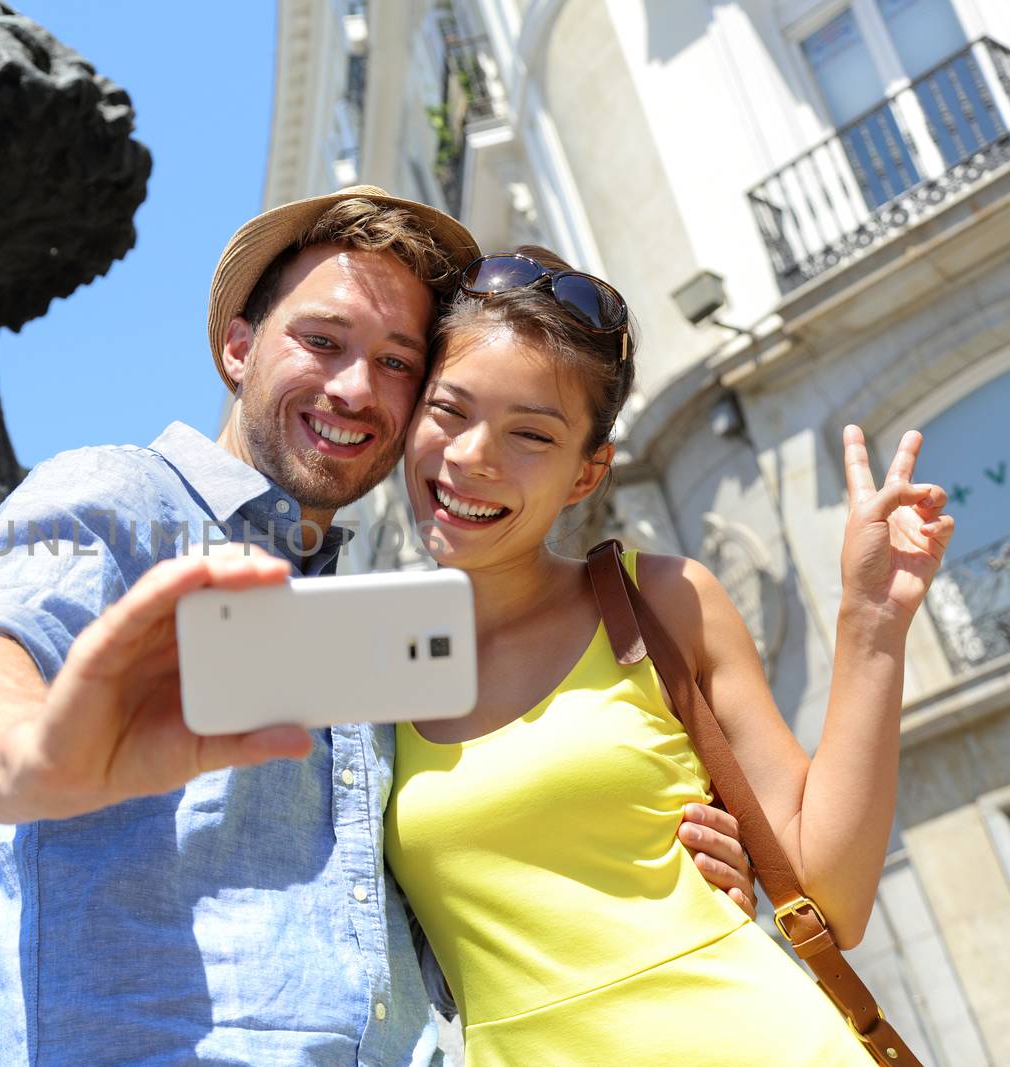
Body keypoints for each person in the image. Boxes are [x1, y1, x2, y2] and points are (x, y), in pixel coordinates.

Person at [0, 191, 754, 1065]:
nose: (356, 388)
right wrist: (34, 757)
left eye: (396, 362)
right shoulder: (121, 497)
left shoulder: (379, 622)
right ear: (239, 348)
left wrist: (645, 858)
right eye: (322, 341)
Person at [382, 247, 954, 1065]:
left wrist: (871, 622)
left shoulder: (665, 599)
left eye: (531, 434)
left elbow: (833, 895)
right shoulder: (360, 659)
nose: (474, 455)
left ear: (587, 475)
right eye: (450, 411)